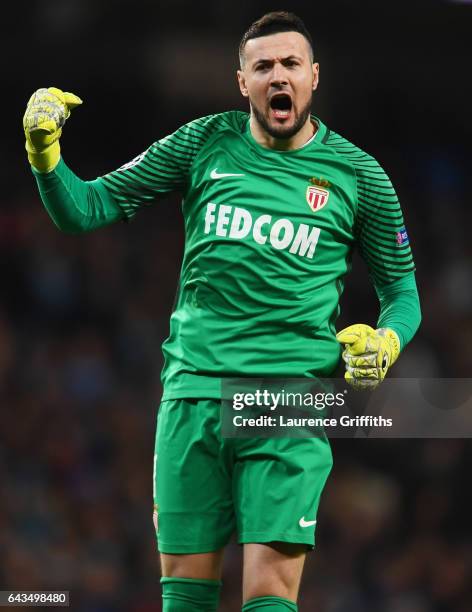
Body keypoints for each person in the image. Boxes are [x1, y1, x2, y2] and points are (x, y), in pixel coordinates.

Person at [23, 10, 421, 612]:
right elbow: (87, 208)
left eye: (290, 64)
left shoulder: (360, 175)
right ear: (243, 82)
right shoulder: (203, 142)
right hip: (192, 394)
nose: (277, 76)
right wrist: (44, 155)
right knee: (184, 596)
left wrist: (387, 342)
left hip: (287, 397)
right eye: (263, 66)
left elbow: (404, 294)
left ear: (315, 75)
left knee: (269, 592)